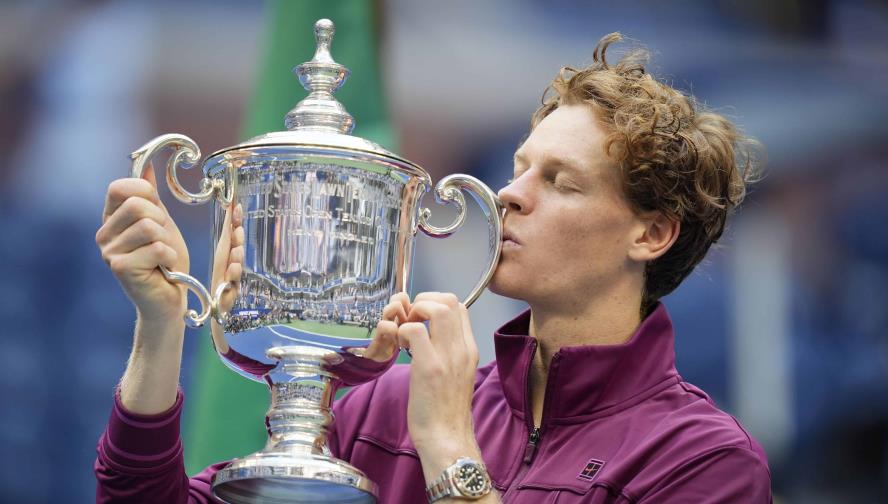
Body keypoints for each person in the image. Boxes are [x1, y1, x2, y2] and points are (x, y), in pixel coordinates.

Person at [94, 34, 771, 503]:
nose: (511, 195)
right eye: (519, 168)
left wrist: (449, 443)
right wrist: (160, 322)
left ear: (650, 233)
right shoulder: (382, 407)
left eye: (560, 182)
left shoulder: (701, 461)